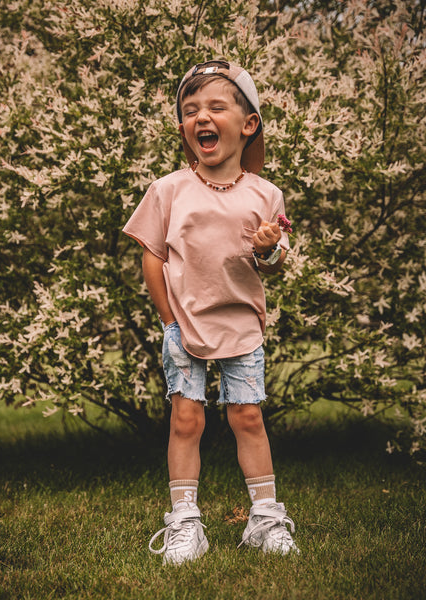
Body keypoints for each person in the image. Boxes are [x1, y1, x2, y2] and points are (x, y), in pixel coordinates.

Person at [123, 59, 298, 565]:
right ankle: (185, 523)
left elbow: (277, 263)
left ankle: (264, 519)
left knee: (247, 417)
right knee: (185, 419)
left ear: (248, 124)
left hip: (241, 326)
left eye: (216, 107)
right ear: (184, 127)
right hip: (184, 327)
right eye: (190, 109)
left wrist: (269, 248)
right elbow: (152, 255)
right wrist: (168, 322)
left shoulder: (266, 195)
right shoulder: (168, 190)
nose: (202, 116)